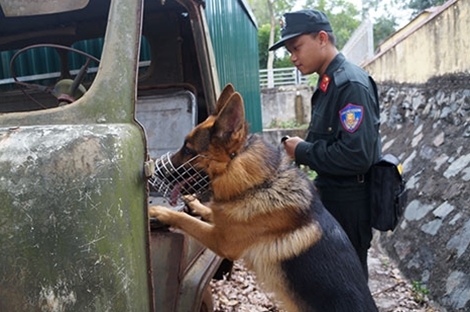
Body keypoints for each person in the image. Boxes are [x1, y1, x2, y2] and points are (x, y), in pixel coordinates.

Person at [269, 9, 381, 279]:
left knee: (349, 285)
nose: (293, 58)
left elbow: (357, 156)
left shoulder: (350, 84)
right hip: (332, 197)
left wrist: (302, 151)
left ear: (321, 38)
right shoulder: (328, 82)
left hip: (349, 203)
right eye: (289, 52)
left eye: (296, 48)